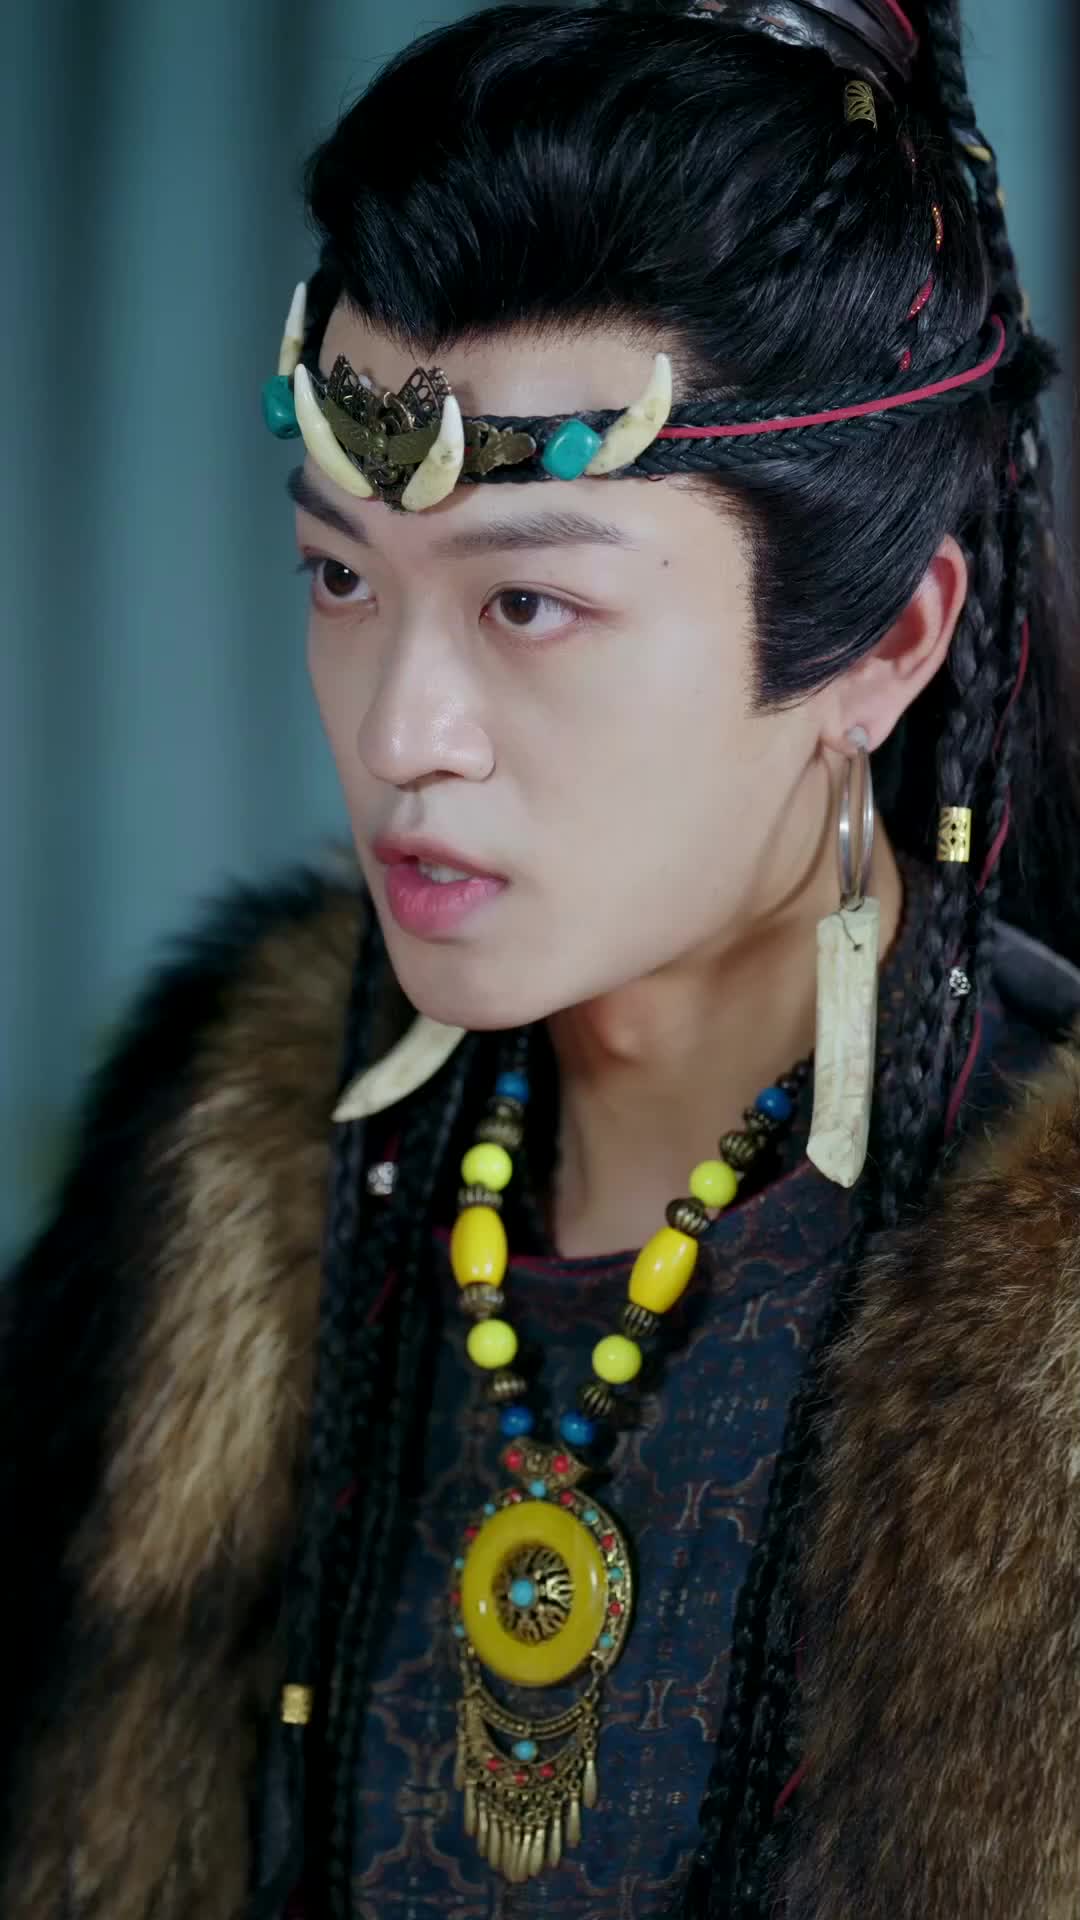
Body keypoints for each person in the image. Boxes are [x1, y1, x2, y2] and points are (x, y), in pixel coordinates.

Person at [5, 1, 1080, 1915]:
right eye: (342, 576)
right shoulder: (225, 1162)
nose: (399, 731)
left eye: (528, 603)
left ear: (885, 645)